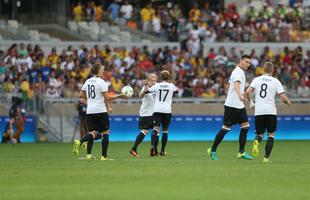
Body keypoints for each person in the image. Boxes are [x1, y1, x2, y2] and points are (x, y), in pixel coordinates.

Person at [73, 63, 128, 160]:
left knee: (92, 133)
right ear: (98, 71)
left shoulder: (88, 81)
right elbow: (107, 98)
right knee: (105, 133)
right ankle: (103, 156)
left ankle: (86, 151)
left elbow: (81, 94)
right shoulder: (102, 82)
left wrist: (92, 97)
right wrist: (119, 96)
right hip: (100, 111)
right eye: (102, 69)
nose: (103, 71)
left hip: (90, 111)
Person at [207, 55, 253, 161]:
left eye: (249, 63)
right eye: (246, 62)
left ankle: (241, 152)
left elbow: (229, 85)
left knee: (245, 127)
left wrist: (238, 94)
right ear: (240, 61)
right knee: (225, 129)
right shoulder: (238, 72)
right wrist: (240, 95)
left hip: (239, 106)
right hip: (232, 105)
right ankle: (212, 150)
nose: (248, 64)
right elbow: (236, 85)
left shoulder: (238, 71)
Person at [246, 62, 291, 163]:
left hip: (259, 111)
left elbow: (247, 91)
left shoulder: (256, 80)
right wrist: (288, 102)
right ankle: (266, 158)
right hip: (270, 111)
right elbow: (283, 97)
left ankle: (257, 141)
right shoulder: (276, 81)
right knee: (270, 135)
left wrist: (251, 102)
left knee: (260, 134)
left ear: (263, 69)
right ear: (273, 70)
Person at [141, 70, 178, 156]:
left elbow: (146, 91)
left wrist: (146, 84)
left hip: (157, 110)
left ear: (160, 77)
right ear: (168, 77)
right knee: (165, 131)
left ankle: (153, 147)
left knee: (156, 129)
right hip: (167, 111)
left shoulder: (157, 85)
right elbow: (177, 91)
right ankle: (162, 151)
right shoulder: (171, 86)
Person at [129, 74, 157, 157]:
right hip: (146, 113)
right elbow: (141, 95)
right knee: (145, 131)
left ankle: (153, 150)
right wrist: (145, 86)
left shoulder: (156, 88)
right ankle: (133, 148)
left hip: (154, 113)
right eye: (152, 80)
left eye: (155, 80)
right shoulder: (146, 88)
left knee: (156, 130)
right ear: (148, 81)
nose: (154, 82)